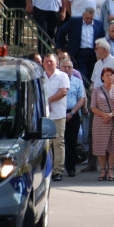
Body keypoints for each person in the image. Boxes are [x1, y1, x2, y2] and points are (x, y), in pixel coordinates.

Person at [89, 66, 114, 181]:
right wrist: (103, 115)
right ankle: (102, 170)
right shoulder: (97, 90)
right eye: (107, 75)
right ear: (102, 77)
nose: (109, 77)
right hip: (100, 121)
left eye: (111, 75)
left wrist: (110, 115)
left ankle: (111, 170)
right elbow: (93, 107)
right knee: (100, 146)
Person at [42, 54, 70, 182]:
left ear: (56, 63)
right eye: (46, 61)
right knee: (44, 144)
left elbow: (63, 91)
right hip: (43, 115)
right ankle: (45, 169)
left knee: (58, 142)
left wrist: (48, 101)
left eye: (51, 61)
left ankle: (57, 170)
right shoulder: (40, 77)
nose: (49, 64)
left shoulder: (62, 76)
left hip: (58, 114)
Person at [61, 57, 87, 177]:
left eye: (69, 67)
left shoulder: (77, 82)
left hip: (73, 113)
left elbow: (81, 99)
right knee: (58, 142)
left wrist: (72, 113)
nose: (67, 69)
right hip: (58, 113)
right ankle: (58, 167)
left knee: (71, 142)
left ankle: (71, 167)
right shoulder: (55, 80)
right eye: (64, 67)